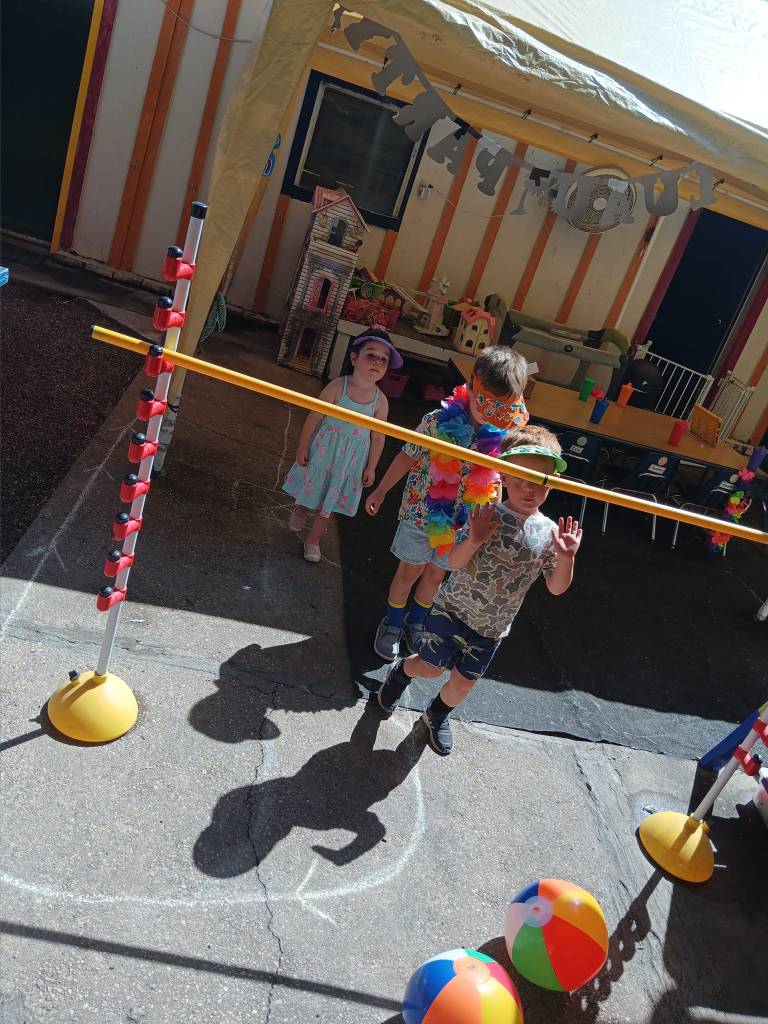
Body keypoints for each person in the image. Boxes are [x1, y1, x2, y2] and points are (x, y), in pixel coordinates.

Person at [370, 424, 582, 756]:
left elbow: (556, 588)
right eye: (521, 477)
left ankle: (436, 714)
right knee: (429, 667)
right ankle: (400, 674)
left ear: (552, 482)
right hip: (452, 611)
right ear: (503, 475)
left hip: (492, 628)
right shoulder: (485, 514)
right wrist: (474, 539)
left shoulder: (550, 533)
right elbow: (452, 562)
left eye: (539, 480)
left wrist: (566, 558)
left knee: (463, 683)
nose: (529, 488)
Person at [366, 347, 529, 660]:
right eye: (487, 402)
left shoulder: (502, 437)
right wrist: (381, 490)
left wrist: (493, 518)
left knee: (435, 576)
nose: (490, 413)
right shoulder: (437, 421)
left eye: (501, 407)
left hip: (461, 523)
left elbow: (495, 479)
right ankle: (393, 623)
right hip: (421, 513)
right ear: (473, 383)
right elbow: (407, 455)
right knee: (409, 572)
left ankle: (416, 622)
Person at [283, 328, 400, 563]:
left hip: (351, 461)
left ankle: (313, 540)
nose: (377, 362)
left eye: (384, 359)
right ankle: (301, 510)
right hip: (324, 451)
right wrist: (303, 445)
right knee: (312, 488)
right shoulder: (338, 387)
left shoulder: (380, 401)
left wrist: (371, 467)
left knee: (330, 501)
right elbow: (315, 415)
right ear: (354, 359)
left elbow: (378, 436)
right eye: (371, 355)